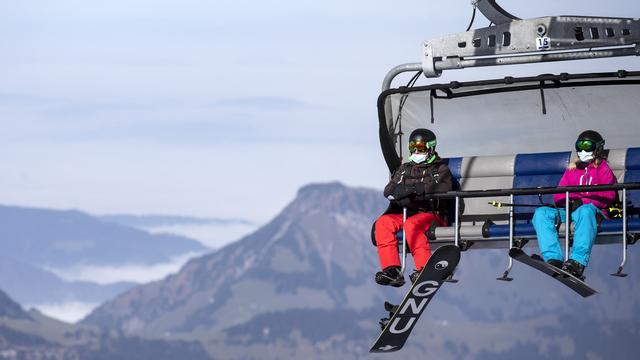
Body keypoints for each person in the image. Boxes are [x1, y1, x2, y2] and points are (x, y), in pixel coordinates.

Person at [532, 130, 616, 279]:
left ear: (597, 149)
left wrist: (583, 201)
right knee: (541, 213)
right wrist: (569, 201)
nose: (583, 151)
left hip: (594, 212)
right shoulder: (572, 170)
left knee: (585, 210)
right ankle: (554, 258)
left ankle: (577, 261)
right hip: (570, 210)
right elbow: (558, 194)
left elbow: (609, 195)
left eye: (587, 146)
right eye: (580, 146)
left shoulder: (603, 169)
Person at [374, 128, 453, 287]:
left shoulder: (439, 169)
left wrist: (420, 189)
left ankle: (424, 267)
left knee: (412, 225)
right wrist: (404, 192)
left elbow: (445, 187)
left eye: (421, 148)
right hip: (408, 213)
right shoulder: (405, 169)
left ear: (431, 148)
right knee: (383, 223)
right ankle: (392, 270)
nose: (416, 151)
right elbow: (389, 191)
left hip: (432, 215)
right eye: (413, 148)